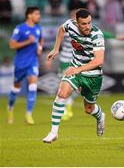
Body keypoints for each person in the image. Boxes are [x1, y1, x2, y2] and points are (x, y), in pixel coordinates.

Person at [43, 8, 106, 143]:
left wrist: (80, 69)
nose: (87, 26)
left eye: (89, 22)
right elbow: (61, 29)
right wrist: (56, 48)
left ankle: (101, 117)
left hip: (93, 76)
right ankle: (53, 132)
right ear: (76, 23)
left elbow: (99, 60)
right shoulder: (70, 25)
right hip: (75, 68)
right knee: (61, 93)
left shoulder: (97, 35)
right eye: (83, 24)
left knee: (89, 109)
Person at [7, 6, 43, 125]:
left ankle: (28, 115)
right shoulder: (20, 28)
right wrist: (28, 41)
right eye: (37, 14)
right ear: (29, 15)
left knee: (33, 86)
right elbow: (12, 45)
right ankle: (10, 108)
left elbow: (40, 40)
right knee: (15, 88)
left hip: (32, 62)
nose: (39, 16)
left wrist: (39, 48)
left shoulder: (38, 28)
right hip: (20, 63)